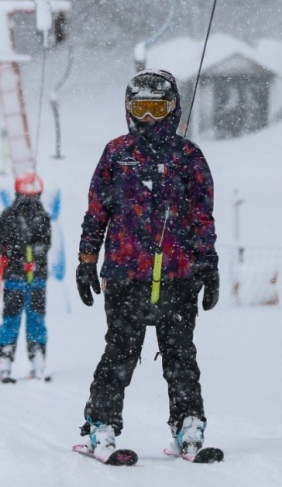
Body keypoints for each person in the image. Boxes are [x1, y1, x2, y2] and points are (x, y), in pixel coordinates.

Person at [74, 69, 220, 462]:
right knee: (120, 351)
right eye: (142, 109)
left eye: (158, 109)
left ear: (172, 108)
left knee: (180, 354)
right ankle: (100, 428)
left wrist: (208, 265)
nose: (150, 119)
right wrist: (87, 259)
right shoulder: (116, 154)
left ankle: (188, 425)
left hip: (179, 277)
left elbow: (202, 218)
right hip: (125, 276)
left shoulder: (188, 157)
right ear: (129, 109)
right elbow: (96, 213)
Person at [0, 172, 52, 383]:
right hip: (15, 277)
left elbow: (46, 243)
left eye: (33, 196)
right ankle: (5, 358)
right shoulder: (8, 216)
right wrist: (5, 254)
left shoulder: (41, 217)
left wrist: (34, 253)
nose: (30, 200)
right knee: (12, 318)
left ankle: (37, 357)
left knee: (35, 318)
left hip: (36, 278)